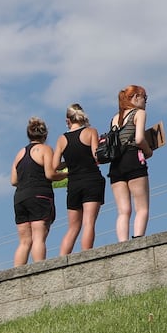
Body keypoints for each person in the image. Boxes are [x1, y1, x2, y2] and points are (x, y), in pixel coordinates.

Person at [53, 104, 104, 254]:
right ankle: (86, 256)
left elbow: (55, 165)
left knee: (73, 227)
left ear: (67, 120)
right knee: (88, 223)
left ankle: (61, 260)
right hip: (91, 180)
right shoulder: (91, 132)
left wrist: (69, 161)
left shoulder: (62, 139)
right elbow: (97, 157)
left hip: (73, 184)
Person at [10, 118, 57, 266]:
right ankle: (39, 270)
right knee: (38, 237)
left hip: (20, 197)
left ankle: (16, 275)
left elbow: (13, 180)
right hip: (39, 195)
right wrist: (66, 174)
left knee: (24, 241)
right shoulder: (46, 149)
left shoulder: (19, 153)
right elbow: (50, 174)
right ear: (45, 135)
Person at [108, 86, 151, 241]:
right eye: (144, 97)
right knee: (142, 207)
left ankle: (122, 244)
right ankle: (138, 240)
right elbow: (139, 138)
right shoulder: (139, 113)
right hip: (133, 159)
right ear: (135, 97)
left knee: (123, 211)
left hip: (115, 164)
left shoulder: (115, 118)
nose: (146, 101)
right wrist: (149, 151)